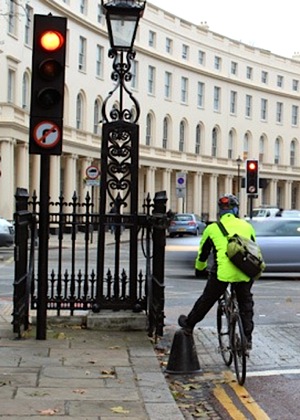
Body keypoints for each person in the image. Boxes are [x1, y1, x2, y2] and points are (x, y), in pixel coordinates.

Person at [178, 193, 257, 350]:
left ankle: (188, 325)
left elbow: (203, 254)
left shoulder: (212, 228)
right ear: (236, 210)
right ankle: (246, 339)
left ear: (220, 211)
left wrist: (200, 269)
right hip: (245, 271)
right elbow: (253, 248)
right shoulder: (247, 226)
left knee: (208, 299)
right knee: (245, 303)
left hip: (222, 273)